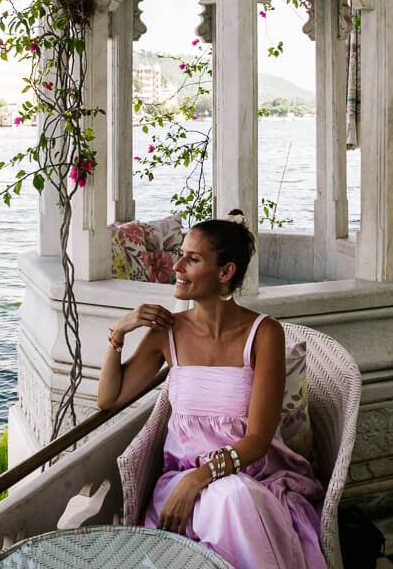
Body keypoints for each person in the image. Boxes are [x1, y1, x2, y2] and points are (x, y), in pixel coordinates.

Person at [98, 210, 326, 569]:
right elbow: (109, 398)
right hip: (179, 483)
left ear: (225, 272)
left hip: (249, 477)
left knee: (235, 497)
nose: (177, 267)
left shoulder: (263, 334)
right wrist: (120, 331)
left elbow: (258, 440)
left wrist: (200, 479)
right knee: (232, 501)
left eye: (192, 259)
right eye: (180, 255)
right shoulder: (166, 332)